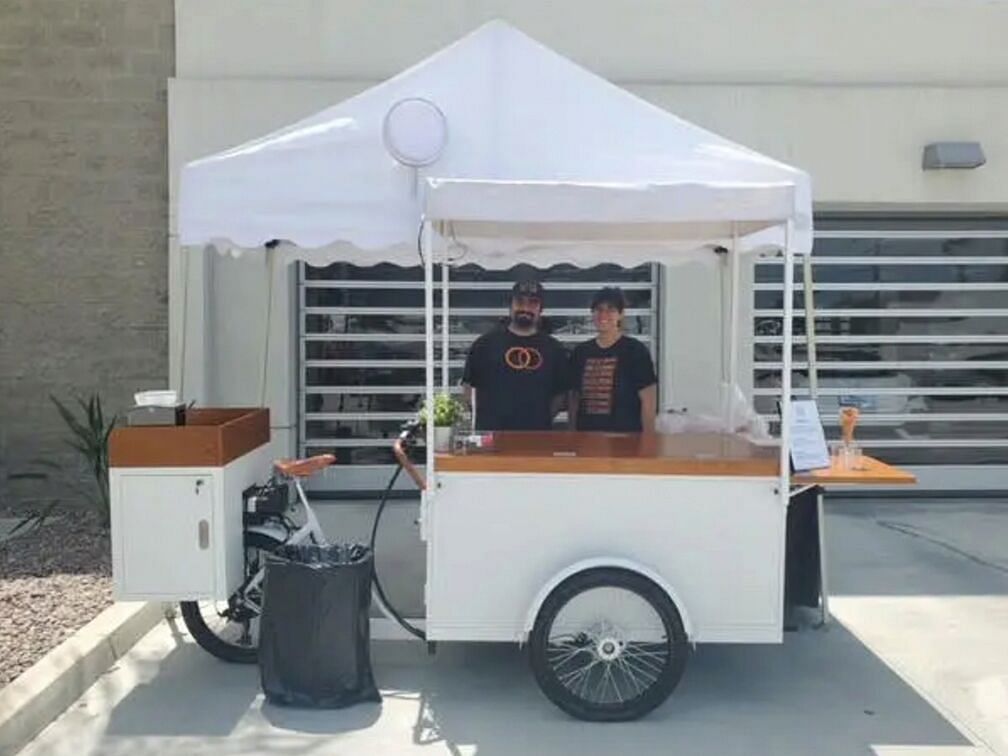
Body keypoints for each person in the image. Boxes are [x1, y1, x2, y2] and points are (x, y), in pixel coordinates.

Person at [461, 279, 570, 431]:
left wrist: (539, 418)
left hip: (537, 437)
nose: (525, 308)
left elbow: (561, 396)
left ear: (540, 309)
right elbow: (469, 389)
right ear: (510, 306)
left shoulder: (554, 349)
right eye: (520, 301)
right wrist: (485, 418)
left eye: (532, 303)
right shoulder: (484, 345)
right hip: (492, 437)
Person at [569, 287, 658, 433]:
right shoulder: (581, 352)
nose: (603, 314)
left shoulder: (635, 351)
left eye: (611, 309)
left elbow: (648, 400)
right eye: (598, 309)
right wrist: (571, 433)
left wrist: (648, 441)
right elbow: (574, 399)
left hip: (626, 442)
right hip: (587, 441)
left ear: (621, 314)